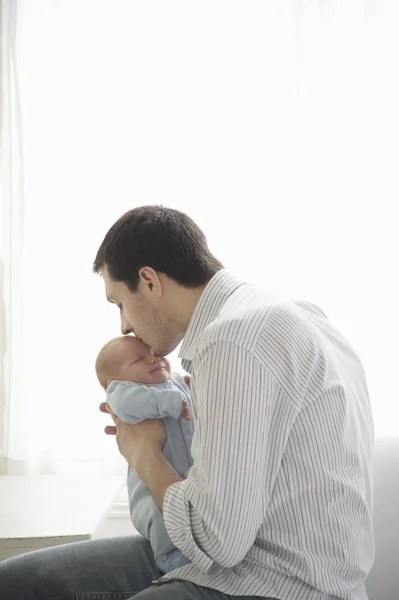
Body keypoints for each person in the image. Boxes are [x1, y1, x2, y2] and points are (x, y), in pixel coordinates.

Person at [0, 205, 374, 600]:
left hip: (270, 584)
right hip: (253, 564)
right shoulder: (288, 314)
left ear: (148, 281)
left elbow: (217, 540)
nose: (124, 326)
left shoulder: (232, 340)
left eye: (119, 303)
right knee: (16, 582)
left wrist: (141, 451)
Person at [95, 335, 193, 573]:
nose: (154, 359)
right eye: (139, 359)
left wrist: (194, 387)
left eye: (154, 353)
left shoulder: (174, 382)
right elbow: (131, 403)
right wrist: (175, 399)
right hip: (169, 530)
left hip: (189, 493)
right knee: (168, 527)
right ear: (114, 381)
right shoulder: (122, 393)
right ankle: (175, 561)